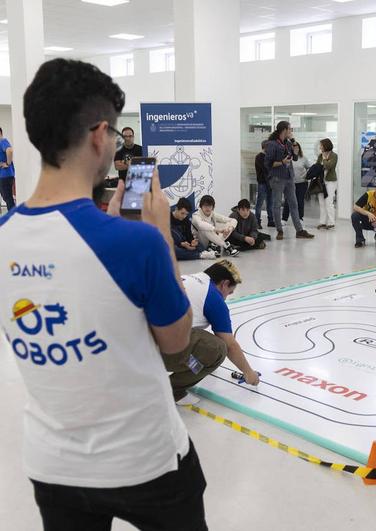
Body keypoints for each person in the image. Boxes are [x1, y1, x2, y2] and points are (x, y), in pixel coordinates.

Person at [0, 59, 207, 529]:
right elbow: (177, 345)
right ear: (98, 135)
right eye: (114, 133)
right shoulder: (137, 243)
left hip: (53, 465)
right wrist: (162, 238)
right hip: (146, 462)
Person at [164, 260, 261, 405]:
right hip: (157, 349)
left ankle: (194, 368)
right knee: (217, 350)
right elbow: (230, 345)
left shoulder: (190, 279)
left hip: (138, 340)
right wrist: (248, 373)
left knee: (198, 345)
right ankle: (172, 391)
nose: (226, 297)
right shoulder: (213, 297)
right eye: (229, 292)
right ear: (224, 283)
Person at [264, 121, 314, 240]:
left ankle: (299, 230)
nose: (291, 131)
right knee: (277, 205)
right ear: (285, 130)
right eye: (290, 129)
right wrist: (282, 162)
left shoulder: (287, 143)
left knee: (294, 203)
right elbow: (267, 164)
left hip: (289, 177)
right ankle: (279, 230)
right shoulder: (272, 144)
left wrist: (293, 142)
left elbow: (295, 157)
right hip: (277, 178)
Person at [283, 140, 310, 223]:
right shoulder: (288, 157)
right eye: (294, 147)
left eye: (297, 147)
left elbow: (309, 167)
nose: (295, 148)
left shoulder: (303, 158)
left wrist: (306, 175)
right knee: (288, 201)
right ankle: (284, 219)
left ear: (299, 148)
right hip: (290, 183)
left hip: (302, 183)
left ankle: (300, 218)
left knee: (300, 200)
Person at [317, 138, 338, 229]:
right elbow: (317, 166)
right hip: (321, 181)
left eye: (321, 145)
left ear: (326, 145)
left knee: (329, 202)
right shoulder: (320, 156)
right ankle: (322, 222)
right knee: (322, 202)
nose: (320, 147)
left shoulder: (334, 155)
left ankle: (331, 222)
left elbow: (329, 166)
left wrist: (325, 159)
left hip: (330, 181)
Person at [254, 140, 274, 228]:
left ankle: (271, 220)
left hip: (269, 183)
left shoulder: (268, 157)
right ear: (265, 147)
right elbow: (265, 170)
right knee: (260, 203)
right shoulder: (259, 157)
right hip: (263, 183)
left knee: (270, 203)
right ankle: (257, 221)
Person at [0, 127, 15, 211]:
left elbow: (10, 150)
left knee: (8, 198)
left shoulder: (3, 141)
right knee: (6, 197)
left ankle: (13, 219)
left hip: (5, 175)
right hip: (3, 176)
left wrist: (8, 163)